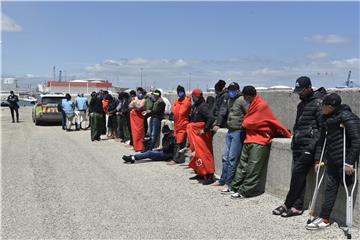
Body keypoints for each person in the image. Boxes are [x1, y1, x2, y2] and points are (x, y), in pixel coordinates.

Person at [273, 76, 326, 217]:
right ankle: (297, 206)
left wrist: (311, 148)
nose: (300, 94)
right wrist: (293, 141)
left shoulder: (318, 103)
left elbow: (322, 129)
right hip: (298, 144)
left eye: (302, 91)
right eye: (298, 91)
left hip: (309, 146)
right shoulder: (301, 105)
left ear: (309, 88)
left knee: (297, 174)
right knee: (298, 176)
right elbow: (297, 126)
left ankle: (287, 203)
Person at [306, 93, 360, 230]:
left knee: (347, 186)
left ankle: (348, 224)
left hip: (344, 161)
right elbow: (321, 141)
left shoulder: (347, 116)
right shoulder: (326, 118)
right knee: (329, 189)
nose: (321, 108)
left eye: (323, 106)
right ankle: (324, 218)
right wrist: (318, 159)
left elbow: (356, 140)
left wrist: (349, 162)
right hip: (332, 160)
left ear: (330, 107)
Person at [228, 86, 292, 198]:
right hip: (249, 139)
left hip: (259, 141)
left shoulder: (261, 105)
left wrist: (287, 133)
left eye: (245, 96)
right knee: (242, 166)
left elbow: (253, 122)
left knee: (253, 168)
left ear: (249, 95)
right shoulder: (252, 105)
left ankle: (244, 191)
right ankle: (234, 187)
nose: (244, 98)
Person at [212, 82, 248, 191]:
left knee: (232, 158)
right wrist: (218, 123)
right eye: (230, 90)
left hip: (238, 131)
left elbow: (249, 114)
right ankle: (222, 179)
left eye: (233, 90)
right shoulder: (229, 99)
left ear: (238, 90)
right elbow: (223, 112)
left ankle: (229, 184)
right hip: (230, 131)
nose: (231, 92)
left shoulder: (242, 100)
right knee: (225, 157)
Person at [187, 88, 216, 185]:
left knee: (204, 154)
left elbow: (211, 118)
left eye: (194, 97)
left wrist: (205, 130)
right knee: (198, 154)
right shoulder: (196, 106)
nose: (193, 98)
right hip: (196, 134)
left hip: (201, 135)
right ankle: (200, 172)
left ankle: (209, 175)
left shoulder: (203, 107)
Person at [168, 85, 192, 165]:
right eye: (178, 92)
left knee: (179, 142)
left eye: (181, 92)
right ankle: (177, 158)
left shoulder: (187, 101)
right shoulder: (177, 102)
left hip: (183, 125)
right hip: (177, 125)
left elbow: (185, 112)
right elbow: (174, 112)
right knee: (177, 142)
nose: (180, 93)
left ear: (184, 92)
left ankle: (176, 159)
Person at [129, 87, 146, 152]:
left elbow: (139, 107)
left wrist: (134, 103)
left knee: (140, 132)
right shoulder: (135, 99)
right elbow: (129, 106)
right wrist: (134, 104)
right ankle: (136, 146)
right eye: (138, 92)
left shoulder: (144, 100)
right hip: (134, 117)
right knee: (134, 132)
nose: (139, 94)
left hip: (140, 117)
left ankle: (141, 147)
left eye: (140, 92)